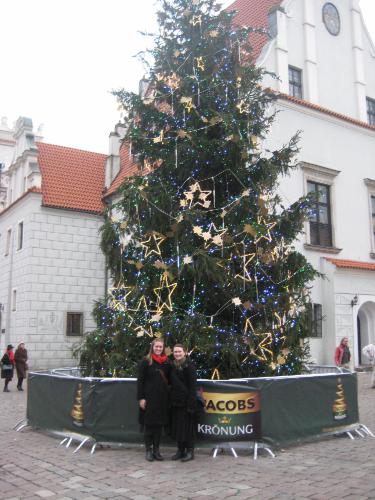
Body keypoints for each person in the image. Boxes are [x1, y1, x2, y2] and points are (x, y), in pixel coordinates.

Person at [137, 338, 170, 462]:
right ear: (152, 347)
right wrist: (141, 398)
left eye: (160, 347)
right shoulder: (146, 362)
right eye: (156, 347)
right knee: (149, 425)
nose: (158, 349)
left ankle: (156, 450)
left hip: (162, 399)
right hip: (149, 399)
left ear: (163, 348)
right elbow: (140, 381)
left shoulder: (166, 362)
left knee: (158, 426)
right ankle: (148, 450)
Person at [169, 344, 198, 462]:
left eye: (179, 352)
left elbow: (192, 386)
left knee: (187, 428)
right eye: (175, 352)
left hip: (186, 402)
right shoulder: (172, 366)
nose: (177, 354)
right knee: (178, 427)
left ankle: (190, 451)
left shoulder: (189, 366)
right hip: (176, 402)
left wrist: (191, 404)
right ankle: (180, 450)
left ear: (185, 352)